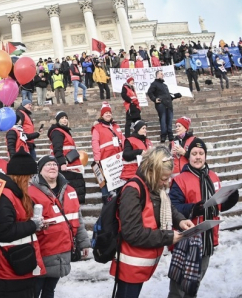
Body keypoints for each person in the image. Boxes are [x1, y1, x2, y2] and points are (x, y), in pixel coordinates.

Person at [110, 146, 194, 298]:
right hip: (130, 267)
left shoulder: (153, 184)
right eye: (163, 178)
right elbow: (132, 233)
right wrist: (168, 237)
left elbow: (166, 205)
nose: (166, 182)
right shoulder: (133, 190)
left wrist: (181, 221)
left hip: (141, 265)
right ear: (152, 171)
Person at [168, 138, 239, 298]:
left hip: (207, 240)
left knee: (194, 285)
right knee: (178, 288)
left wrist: (229, 199)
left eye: (201, 153)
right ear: (189, 156)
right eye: (194, 154)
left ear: (205, 156)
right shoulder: (180, 179)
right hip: (187, 242)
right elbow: (173, 208)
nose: (198, 157)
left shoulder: (213, 176)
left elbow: (217, 205)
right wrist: (193, 208)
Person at [0, 150, 45, 298]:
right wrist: (33, 225)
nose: (31, 181)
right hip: (3, 271)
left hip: (15, 266)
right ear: (21, 177)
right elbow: (2, 231)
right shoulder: (5, 195)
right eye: (30, 177)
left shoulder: (15, 194)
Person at [29, 156, 90, 298]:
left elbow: (77, 219)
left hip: (63, 249)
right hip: (42, 250)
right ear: (40, 170)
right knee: (35, 290)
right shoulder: (31, 192)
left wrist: (84, 242)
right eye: (48, 165)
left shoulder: (69, 190)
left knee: (50, 290)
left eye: (54, 164)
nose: (52, 167)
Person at [48, 111, 85, 203]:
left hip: (71, 165)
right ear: (58, 120)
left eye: (66, 118)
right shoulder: (57, 132)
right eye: (62, 118)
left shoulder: (64, 131)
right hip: (66, 166)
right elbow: (57, 149)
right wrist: (62, 163)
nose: (64, 120)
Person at [91, 103, 124, 203]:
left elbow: (122, 138)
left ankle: (120, 197)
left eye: (109, 112)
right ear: (102, 115)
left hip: (117, 157)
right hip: (105, 158)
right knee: (104, 180)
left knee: (119, 178)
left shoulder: (116, 126)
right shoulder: (97, 127)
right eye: (106, 113)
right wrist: (97, 157)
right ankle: (106, 198)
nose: (108, 114)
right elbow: (95, 142)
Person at [147, 70, 182, 143]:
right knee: (163, 120)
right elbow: (150, 92)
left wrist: (176, 95)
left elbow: (168, 96)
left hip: (168, 104)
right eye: (161, 74)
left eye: (163, 74)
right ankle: (163, 135)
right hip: (161, 104)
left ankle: (170, 135)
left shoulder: (165, 85)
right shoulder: (154, 84)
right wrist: (154, 99)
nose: (162, 75)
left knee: (169, 120)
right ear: (157, 75)